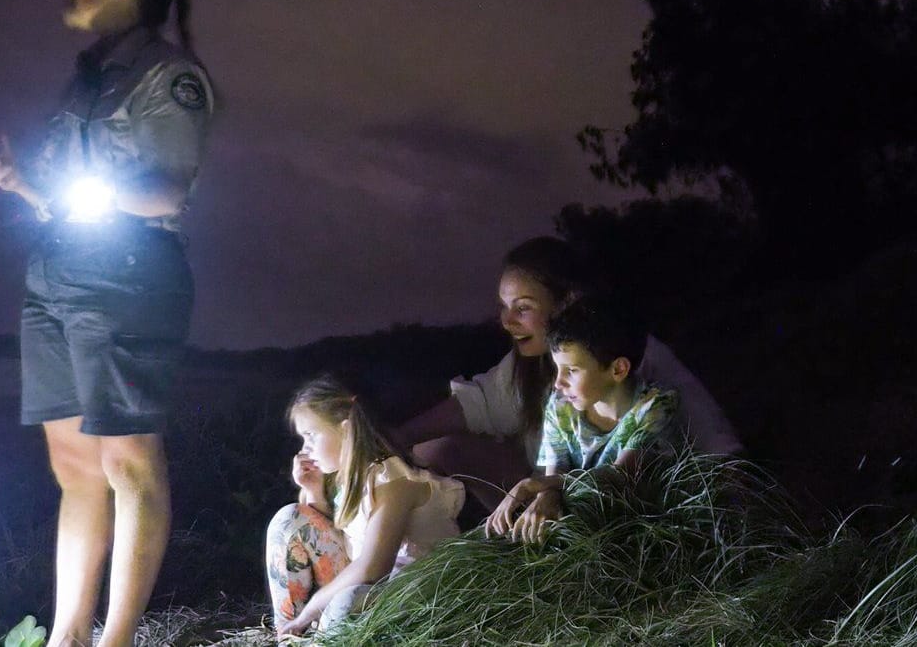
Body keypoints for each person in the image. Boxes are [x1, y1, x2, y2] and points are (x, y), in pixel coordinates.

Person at [0, 0, 212, 647]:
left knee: (128, 455)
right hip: (56, 267)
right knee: (75, 462)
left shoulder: (168, 75)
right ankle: (69, 633)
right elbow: (63, 188)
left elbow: (167, 185)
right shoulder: (87, 77)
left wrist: (57, 186)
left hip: (127, 271)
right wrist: (25, 181)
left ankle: (117, 637)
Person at [393, 237, 741, 510]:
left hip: (635, 497)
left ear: (566, 301)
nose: (507, 321)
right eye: (503, 307)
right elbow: (480, 403)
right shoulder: (532, 369)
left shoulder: (628, 356)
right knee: (435, 450)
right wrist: (394, 438)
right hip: (564, 489)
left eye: (523, 308)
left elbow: (714, 441)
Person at [265, 375, 465, 638]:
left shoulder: (393, 479)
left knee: (346, 602)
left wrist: (311, 610)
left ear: (346, 429)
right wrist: (312, 490)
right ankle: (290, 637)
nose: (306, 449)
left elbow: (373, 567)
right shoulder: (349, 478)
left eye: (311, 435)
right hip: (375, 587)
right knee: (289, 520)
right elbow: (337, 538)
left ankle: (316, 635)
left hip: (418, 593)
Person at [485, 296, 684, 543]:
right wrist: (545, 493)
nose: (558, 382)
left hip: (638, 529)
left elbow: (620, 476)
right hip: (582, 523)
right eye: (558, 369)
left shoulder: (655, 406)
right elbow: (554, 475)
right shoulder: (561, 405)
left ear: (618, 369)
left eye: (572, 370)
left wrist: (533, 485)